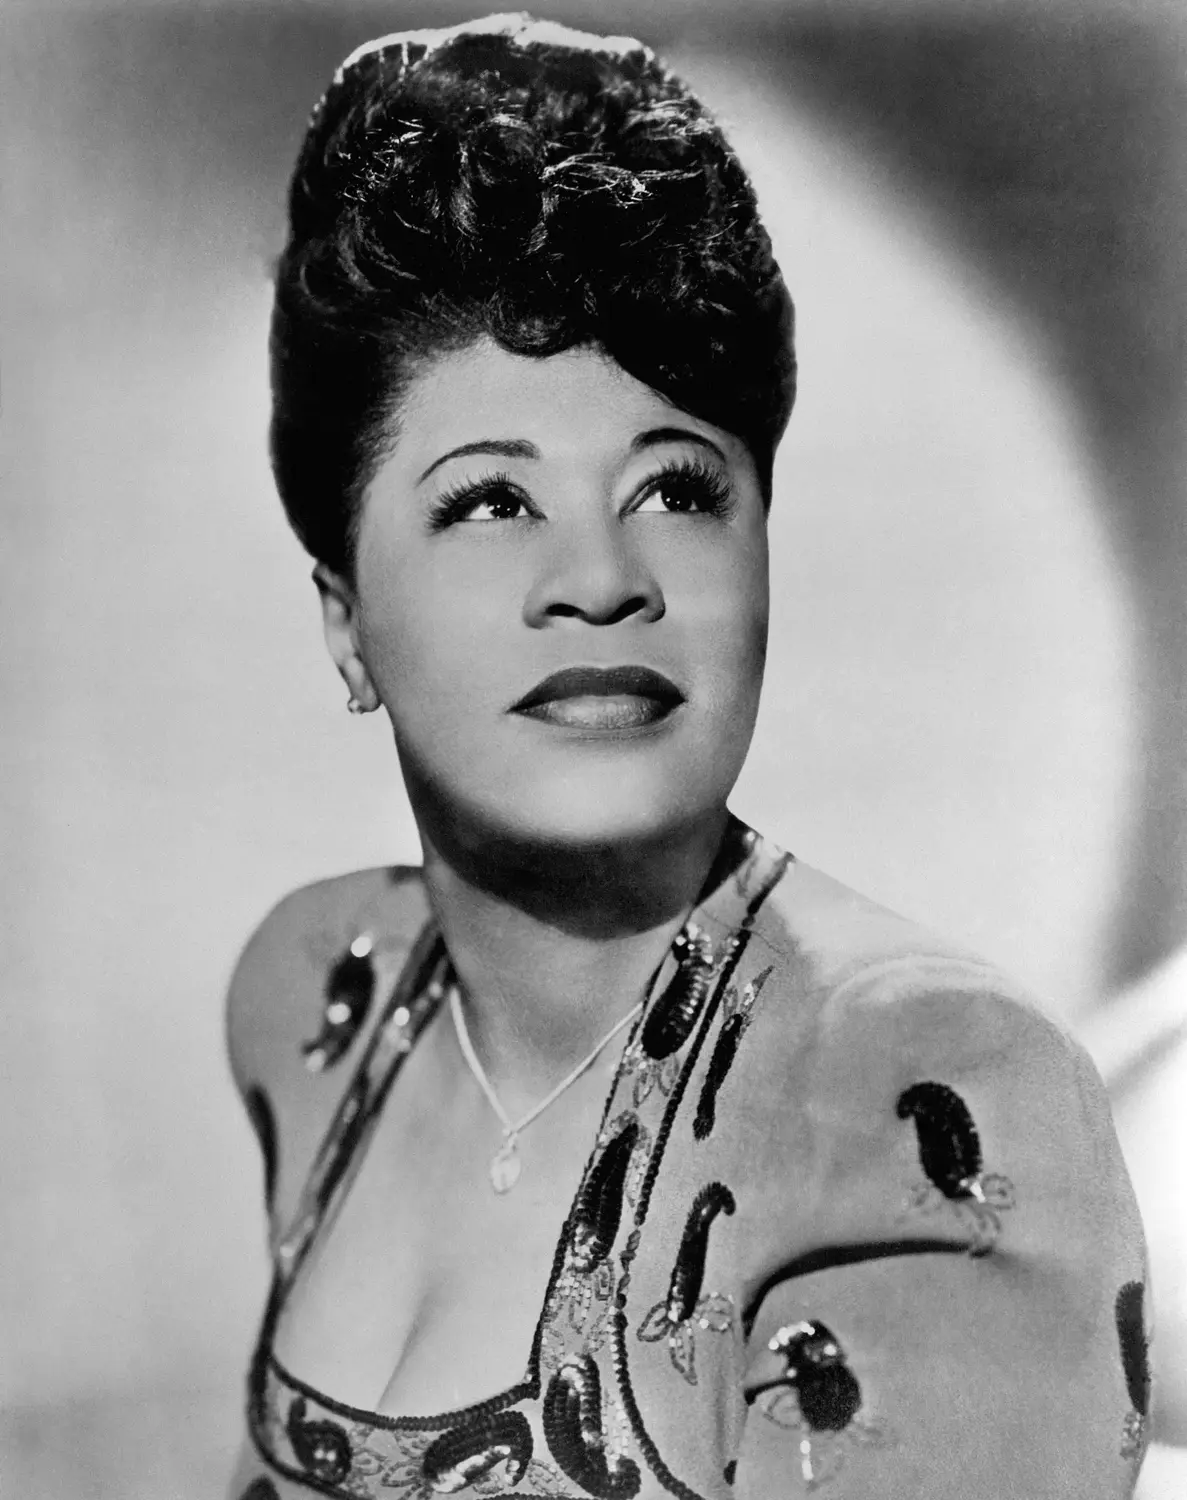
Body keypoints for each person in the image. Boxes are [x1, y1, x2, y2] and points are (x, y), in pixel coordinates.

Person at [225, 15, 1149, 1499]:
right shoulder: (322, 1003)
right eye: (489, 503)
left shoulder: (913, 1091)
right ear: (346, 624)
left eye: (674, 489)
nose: (600, 580)